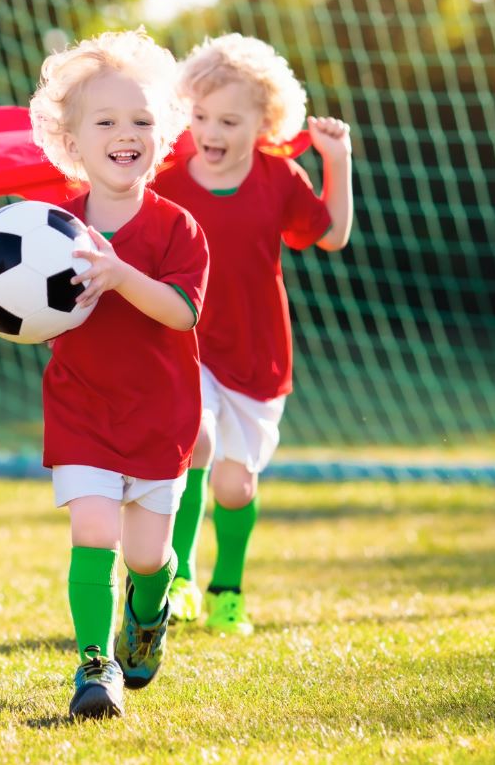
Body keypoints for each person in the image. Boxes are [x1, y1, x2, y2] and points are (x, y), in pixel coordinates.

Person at [27, 29, 210, 719]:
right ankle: (92, 665)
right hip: (81, 411)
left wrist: (119, 274)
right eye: (105, 121)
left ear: (162, 137)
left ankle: (151, 603)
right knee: (92, 535)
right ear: (71, 141)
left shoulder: (177, 229)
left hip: (159, 414)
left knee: (144, 554)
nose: (124, 133)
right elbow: (31, 312)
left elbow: (181, 312)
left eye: (141, 121)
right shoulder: (48, 229)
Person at [151, 33, 353, 636]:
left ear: (264, 122)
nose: (211, 131)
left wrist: (336, 160)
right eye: (202, 116)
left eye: (229, 120)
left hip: (257, 355)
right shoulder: (168, 179)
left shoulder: (279, 178)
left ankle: (227, 589)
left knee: (236, 486)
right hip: (187, 344)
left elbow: (332, 234)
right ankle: (178, 573)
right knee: (195, 439)